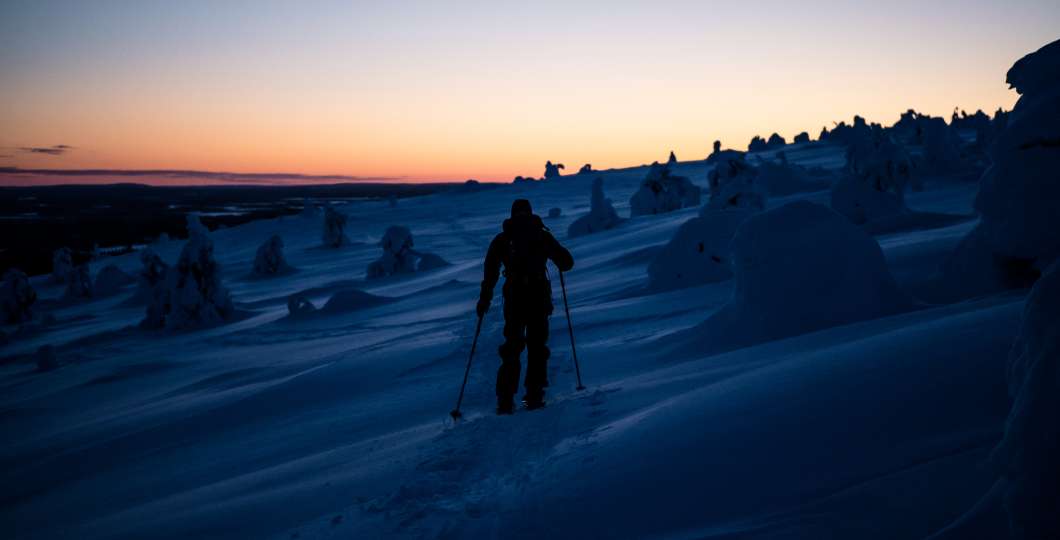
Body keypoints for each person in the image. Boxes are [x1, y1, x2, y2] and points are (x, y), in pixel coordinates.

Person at [478, 199, 574, 414]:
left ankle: (505, 399)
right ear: (531, 213)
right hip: (538, 296)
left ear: (512, 214)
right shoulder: (541, 235)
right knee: (537, 345)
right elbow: (566, 263)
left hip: (514, 298)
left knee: (512, 345)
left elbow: (490, 272)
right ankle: (533, 396)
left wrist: (484, 299)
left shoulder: (503, 239)